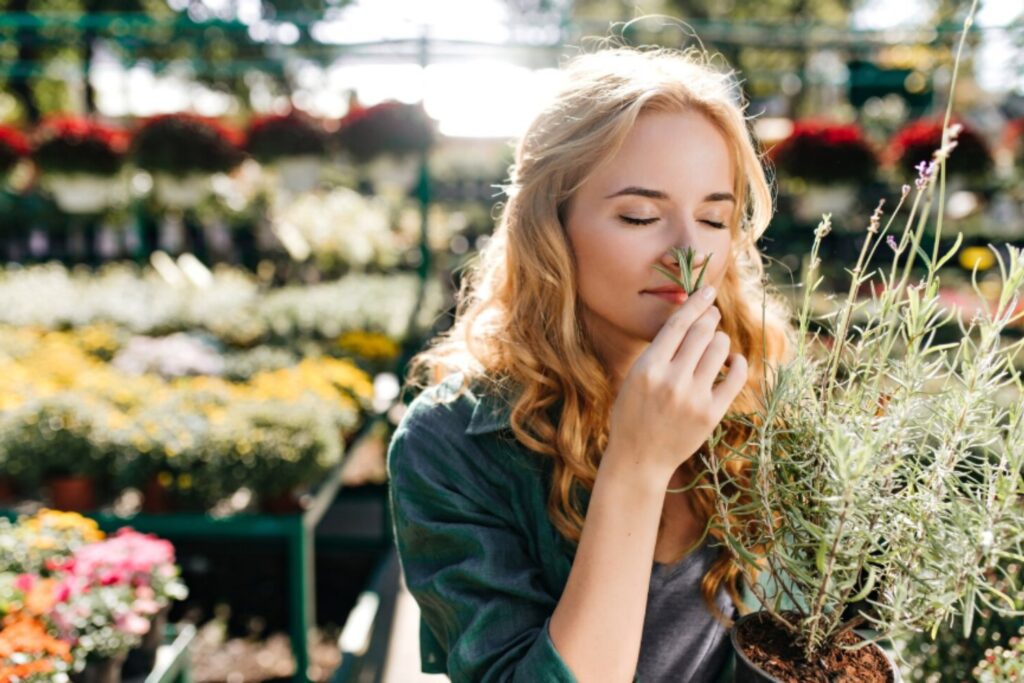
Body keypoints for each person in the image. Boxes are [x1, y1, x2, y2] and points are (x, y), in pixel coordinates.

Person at [387, 43, 797, 683]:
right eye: (640, 216)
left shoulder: (763, 388)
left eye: (714, 218)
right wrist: (638, 466)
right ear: (551, 226)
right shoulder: (450, 442)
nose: (686, 251)